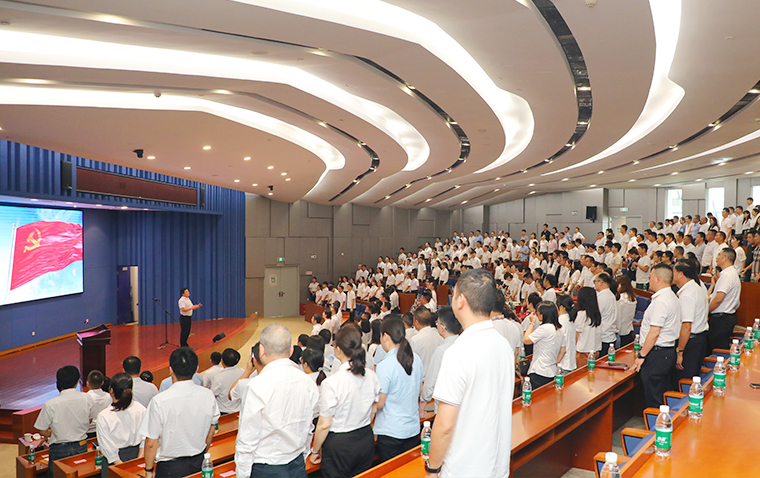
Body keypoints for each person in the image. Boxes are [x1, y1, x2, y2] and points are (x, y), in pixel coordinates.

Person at [426, 269, 514, 478]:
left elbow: (445, 426)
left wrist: (432, 469)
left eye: (453, 294)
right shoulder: (503, 345)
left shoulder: (457, 352)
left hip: (463, 468)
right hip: (496, 464)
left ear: (461, 301)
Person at [236, 325, 319, 478]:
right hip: (297, 464)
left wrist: (243, 474)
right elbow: (309, 427)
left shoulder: (256, 385)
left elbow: (247, 440)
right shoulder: (307, 382)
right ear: (291, 351)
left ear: (261, 351)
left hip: (266, 468)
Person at [309, 326, 380, 478]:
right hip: (365, 437)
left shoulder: (332, 382)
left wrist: (315, 450)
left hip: (340, 444)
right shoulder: (371, 375)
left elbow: (324, 424)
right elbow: (374, 409)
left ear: (338, 349)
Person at [139, 347, 220, 478]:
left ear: (170, 369)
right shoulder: (208, 395)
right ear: (197, 368)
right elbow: (211, 429)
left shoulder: (159, 400)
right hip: (198, 461)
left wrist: (148, 470)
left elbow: (151, 442)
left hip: (169, 468)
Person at [374, 315, 424, 463]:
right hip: (413, 429)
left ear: (385, 337)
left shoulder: (385, 365)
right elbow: (420, 390)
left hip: (391, 432)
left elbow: (380, 403)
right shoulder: (416, 359)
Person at [632, 264, 681, 409]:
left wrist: (641, 356)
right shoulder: (671, 296)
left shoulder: (661, 301)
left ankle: (656, 428)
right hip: (666, 352)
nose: (649, 280)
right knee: (661, 392)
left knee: (655, 397)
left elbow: (654, 333)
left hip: (658, 354)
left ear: (658, 279)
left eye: (651, 277)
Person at [34, 365, 96, 478]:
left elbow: (42, 430)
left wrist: (54, 432)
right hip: (81, 445)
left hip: (59, 448)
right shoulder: (87, 398)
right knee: (80, 474)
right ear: (77, 382)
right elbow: (90, 419)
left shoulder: (51, 404)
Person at [96, 373, 147, 476]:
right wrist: (139, 459)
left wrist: (120, 467)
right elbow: (145, 438)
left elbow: (107, 446)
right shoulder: (141, 409)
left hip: (115, 462)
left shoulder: (104, 416)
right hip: (137, 456)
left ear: (111, 390)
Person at [672, 259, 710, 385]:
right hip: (699, 339)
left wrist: (680, 351)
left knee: (684, 380)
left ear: (681, 274)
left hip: (690, 342)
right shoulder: (698, 287)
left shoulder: (688, 294)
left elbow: (687, 326)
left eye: (674, 271)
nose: (672, 275)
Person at [420, 306, 461, 414]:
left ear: (443, 327)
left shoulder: (441, 350)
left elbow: (431, 381)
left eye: (437, 323)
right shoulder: (464, 344)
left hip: (444, 408)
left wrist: (423, 402)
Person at [523, 301, 565, 388]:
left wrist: (532, 323)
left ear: (543, 314)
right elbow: (563, 350)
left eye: (538, 314)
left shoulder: (544, 328)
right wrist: (554, 362)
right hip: (551, 370)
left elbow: (526, 340)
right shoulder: (560, 328)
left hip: (539, 370)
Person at [707, 248, 742, 351]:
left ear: (725, 258)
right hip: (726, 317)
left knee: (717, 348)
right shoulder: (731, 273)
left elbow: (718, 299)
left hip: (721, 319)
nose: (716, 258)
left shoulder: (727, 275)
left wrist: (706, 311)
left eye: (719, 255)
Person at [211, 348, 245, 414]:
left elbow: (213, 394)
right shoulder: (243, 372)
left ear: (222, 361)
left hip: (223, 412)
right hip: (239, 410)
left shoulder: (218, 377)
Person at [409, 307, 443, 372]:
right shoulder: (439, 335)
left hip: (422, 378)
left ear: (416, 322)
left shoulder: (415, 340)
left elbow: (411, 363)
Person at [594, 273, 619, 354]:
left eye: (595, 282)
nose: (595, 284)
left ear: (601, 282)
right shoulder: (610, 295)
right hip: (610, 335)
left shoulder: (603, 297)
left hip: (603, 336)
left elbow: (596, 315)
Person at [85, 370, 113, 438]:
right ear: (102, 383)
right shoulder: (109, 396)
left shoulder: (85, 398)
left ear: (87, 383)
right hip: (106, 429)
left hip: (89, 431)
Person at [575, 287, 602, 355]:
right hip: (595, 351)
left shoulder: (582, 314)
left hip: (582, 351)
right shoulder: (597, 314)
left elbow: (576, 336)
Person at [557, 295, 577, 373]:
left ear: (561, 307)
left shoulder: (560, 322)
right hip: (571, 363)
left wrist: (555, 363)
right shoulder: (571, 321)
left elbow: (562, 349)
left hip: (562, 364)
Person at [616, 276, 637, 347]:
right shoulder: (632, 297)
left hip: (619, 331)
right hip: (628, 330)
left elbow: (617, 315)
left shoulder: (620, 298)